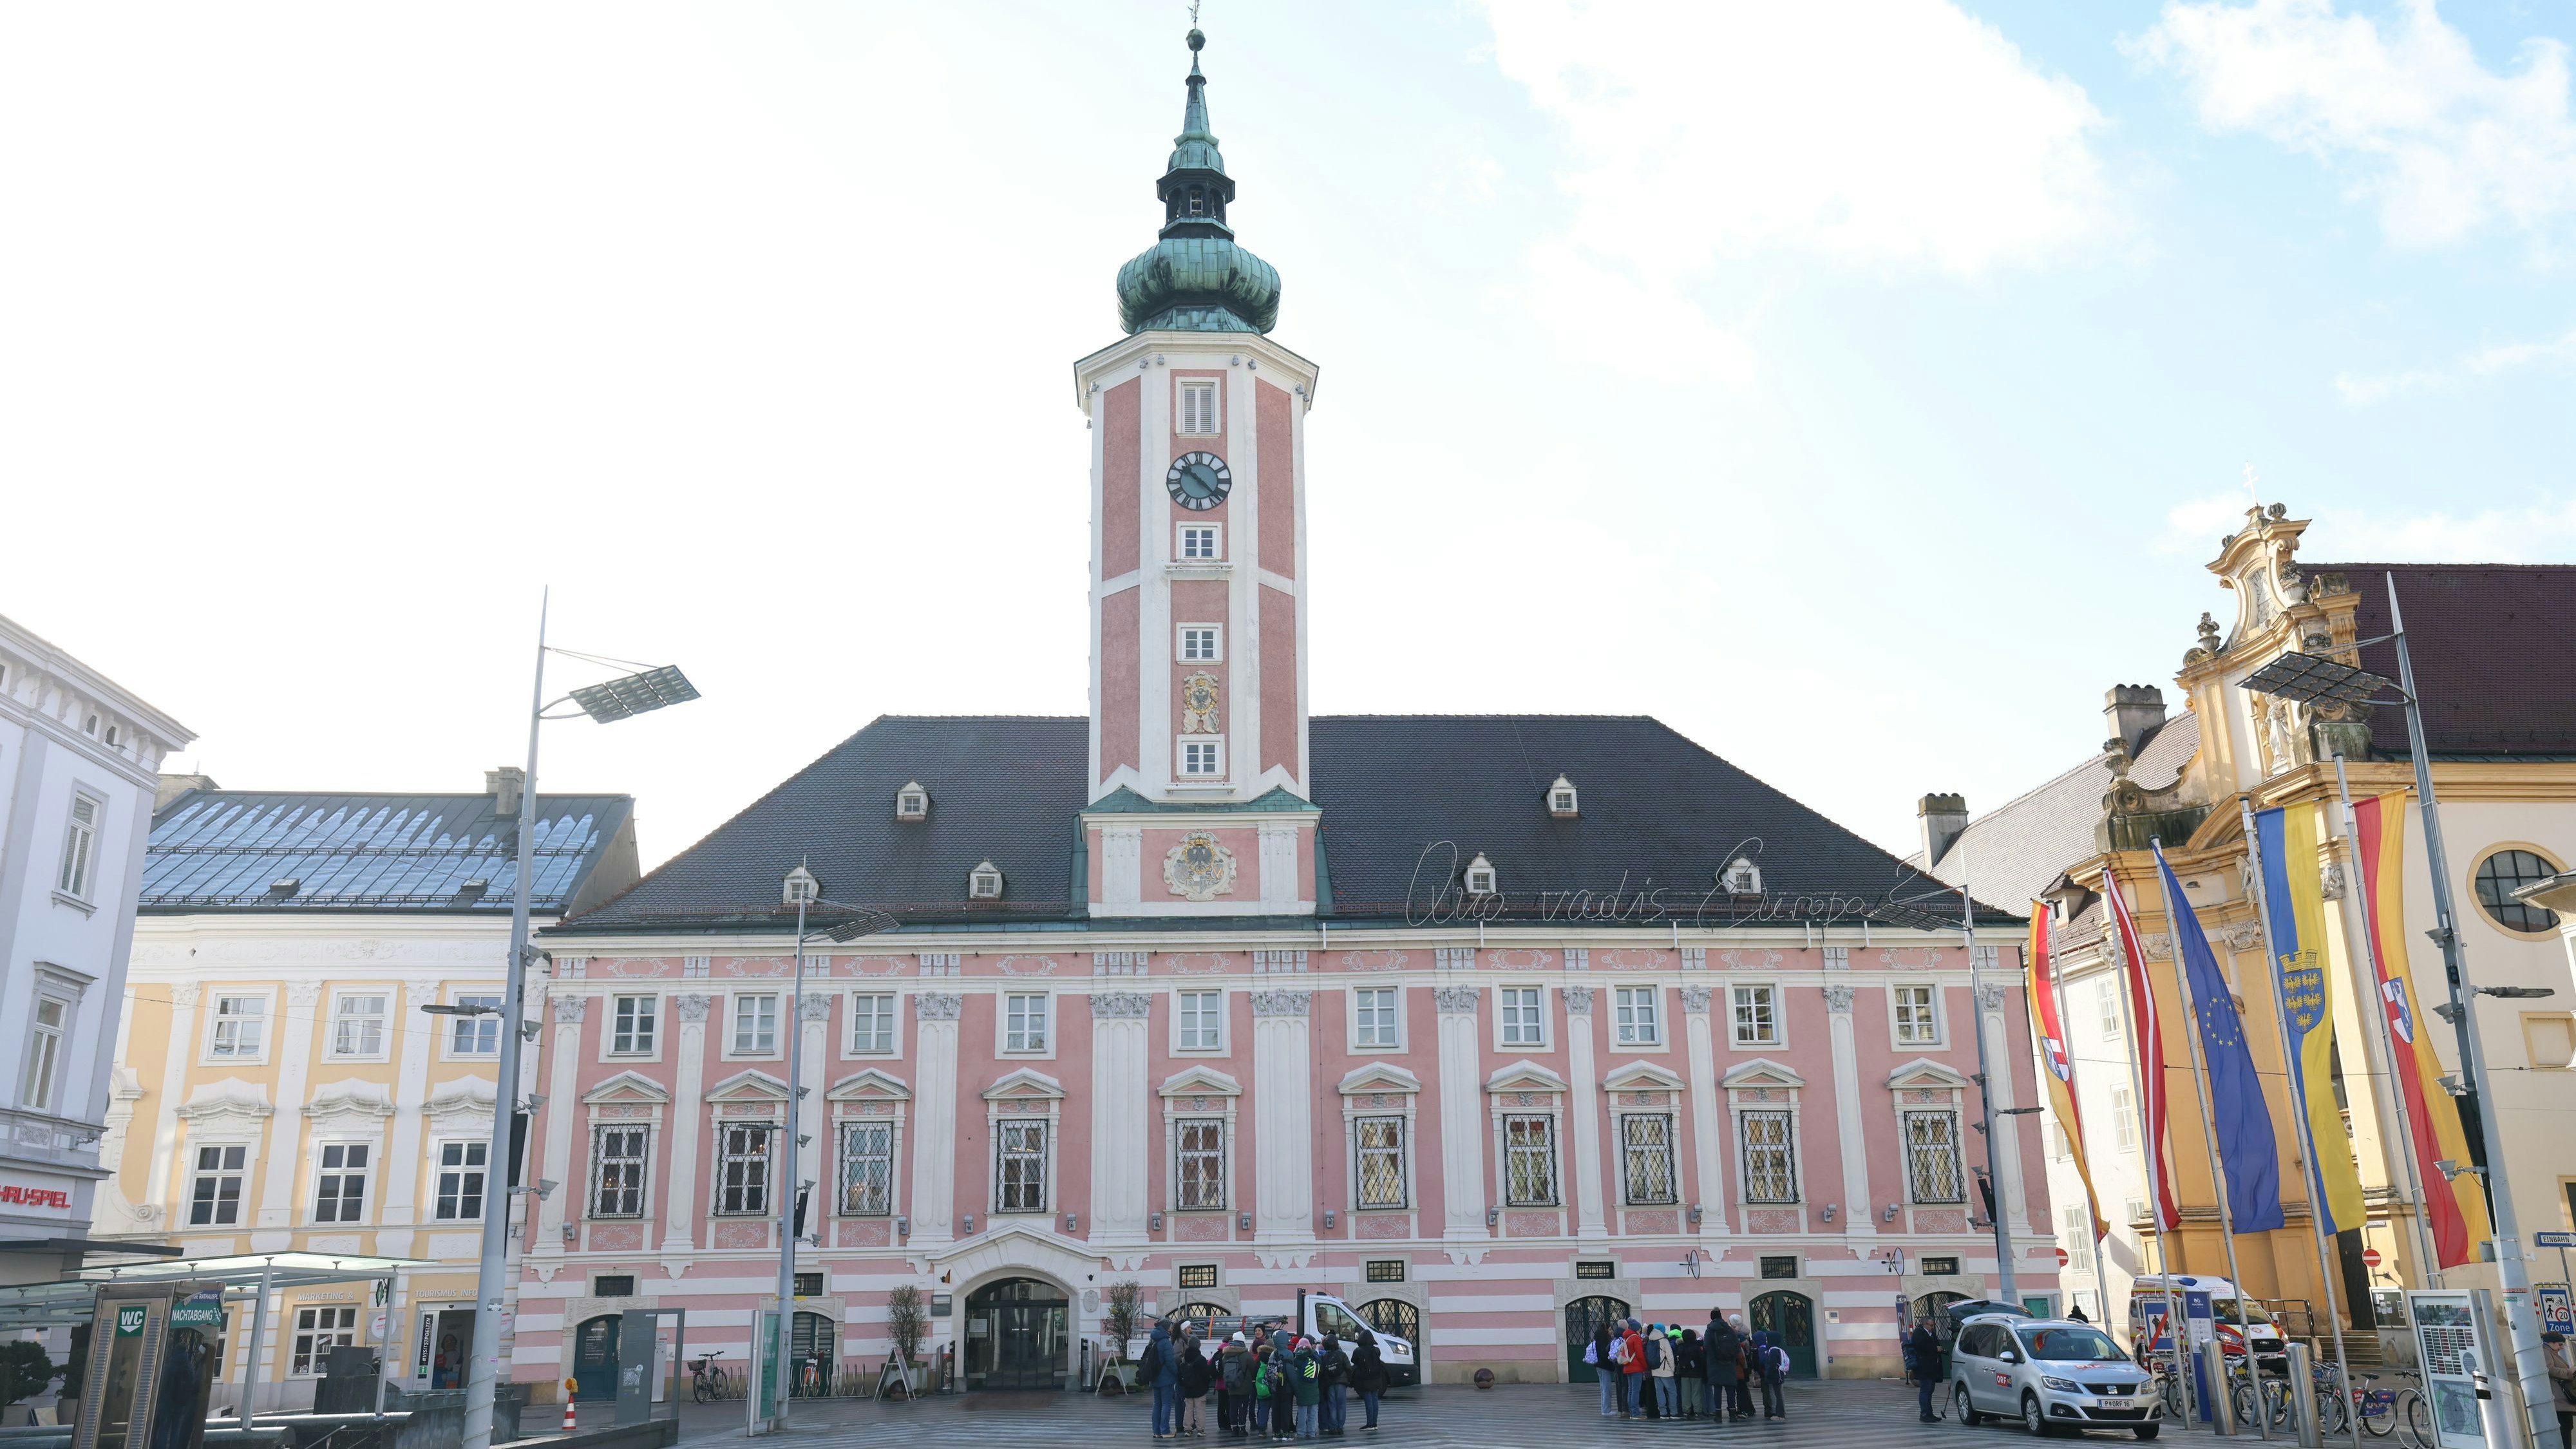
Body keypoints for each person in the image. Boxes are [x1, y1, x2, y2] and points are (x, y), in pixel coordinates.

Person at [1142, 1320, 1179, 1439]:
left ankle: (1156, 1431)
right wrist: (1177, 1373)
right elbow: (1170, 1362)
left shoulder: (1153, 1339)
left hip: (1154, 1377)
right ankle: (1165, 1430)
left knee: (1157, 1404)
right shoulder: (1166, 1343)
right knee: (1166, 1404)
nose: (1172, 1329)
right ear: (1166, 1328)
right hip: (1166, 1378)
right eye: (1170, 1327)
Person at [1705, 1311, 1742, 1421]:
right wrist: (1731, 1357)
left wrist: (1713, 1358)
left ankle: (1718, 1415)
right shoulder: (1729, 1329)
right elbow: (1737, 1345)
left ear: (1712, 1317)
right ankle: (1732, 1415)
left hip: (1715, 1364)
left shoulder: (1710, 1330)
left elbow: (1707, 1346)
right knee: (1731, 1390)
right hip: (1729, 1363)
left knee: (1717, 1390)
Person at [1350, 1329, 1388, 1434]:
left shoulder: (1358, 1351)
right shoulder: (1377, 1350)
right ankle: (1374, 1424)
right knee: (1374, 1401)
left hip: (1365, 1380)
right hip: (1376, 1379)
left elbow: (1353, 1361)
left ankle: (1370, 1424)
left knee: (1368, 1402)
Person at [1906, 1317, 1941, 1423]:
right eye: (1931, 1325)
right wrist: (1935, 1349)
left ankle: (1930, 1413)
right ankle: (1924, 1413)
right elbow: (1922, 1346)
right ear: (1925, 1324)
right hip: (1923, 1367)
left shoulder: (1931, 1333)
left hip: (1932, 1367)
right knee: (1925, 1390)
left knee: (1930, 1390)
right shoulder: (1919, 1333)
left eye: (1933, 1325)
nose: (1932, 1327)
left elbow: (1934, 1343)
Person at [1179, 1333, 1214, 1438]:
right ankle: (1200, 1429)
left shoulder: (1184, 1359)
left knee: (1188, 1409)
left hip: (1188, 1388)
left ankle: (1188, 1429)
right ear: (1198, 1346)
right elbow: (1207, 1375)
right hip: (1200, 1389)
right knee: (1200, 1409)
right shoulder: (1201, 1359)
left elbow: (1180, 1373)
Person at [2545, 1331, 2575, 1449]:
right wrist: (2570, 1372)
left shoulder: (2549, 1352)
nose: (2561, 1348)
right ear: (2551, 1343)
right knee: (2565, 1429)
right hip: (2558, 1401)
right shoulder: (2546, 1352)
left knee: (2567, 1427)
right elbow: (2549, 1370)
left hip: (2560, 1401)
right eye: (2559, 1345)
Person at [1220, 1333, 1251, 1437]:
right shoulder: (1246, 1354)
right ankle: (1242, 1429)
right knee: (1243, 1408)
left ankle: (1234, 1429)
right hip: (1244, 1387)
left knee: (1232, 1407)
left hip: (1231, 1386)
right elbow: (1253, 1368)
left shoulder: (1226, 1355)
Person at [1290, 1336, 1321, 1441]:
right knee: (1313, 1413)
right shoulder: (1315, 1357)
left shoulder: (1297, 1359)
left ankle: (1301, 1433)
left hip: (1302, 1390)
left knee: (1303, 1413)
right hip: (1314, 1390)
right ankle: (1312, 1432)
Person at [1318, 1334, 1349, 1437]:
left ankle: (1333, 1426)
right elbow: (1348, 1368)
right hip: (1341, 1382)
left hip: (1330, 1383)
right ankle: (1340, 1426)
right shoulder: (1342, 1354)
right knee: (1341, 1405)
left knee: (1332, 1405)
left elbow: (1322, 1371)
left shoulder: (1324, 1356)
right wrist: (1349, 1380)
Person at [1750, 1330, 1785, 1420]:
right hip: (1778, 1375)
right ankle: (1779, 1412)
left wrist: (1766, 1373)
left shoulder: (1769, 1350)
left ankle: (1777, 1413)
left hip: (1771, 1375)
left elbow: (1765, 1362)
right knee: (1778, 1393)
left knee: (1773, 1393)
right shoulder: (1777, 1349)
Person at [1618, 1317, 1647, 1420]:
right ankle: (1635, 1413)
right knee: (1636, 1390)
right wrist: (1645, 1366)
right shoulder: (1635, 1338)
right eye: (1639, 1329)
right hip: (1636, 1367)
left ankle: (1631, 1412)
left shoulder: (1627, 1337)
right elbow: (1639, 1354)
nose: (1640, 1330)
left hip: (1628, 1366)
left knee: (1631, 1390)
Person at [1726, 1316, 1755, 1419]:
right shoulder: (1745, 1333)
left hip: (1738, 1369)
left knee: (1739, 1391)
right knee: (1743, 1390)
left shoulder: (1737, 1337)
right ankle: (1748, 1408)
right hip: (1743, 1368)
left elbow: (1742, 1357)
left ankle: (1741, 1409)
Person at [1649, 1323, 1678, 1419]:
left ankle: (1663, 1412)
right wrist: (1673, 1369)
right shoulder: (1664, 1341)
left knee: (1659, 1391)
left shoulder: (1651, 1340)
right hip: (1666, 1370)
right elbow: (1670, 1356)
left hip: (1655, 1369)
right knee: (1672, 1391)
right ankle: (1674, 1412)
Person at [1674, 1329, 1705, 1419]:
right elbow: (1702, 1360)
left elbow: (1677, 1359)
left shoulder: (1681, 1347)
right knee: (1696, 1393)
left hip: (1684, 1374)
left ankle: (1686, 1411)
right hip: (1696, 1373)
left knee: (1685, 1393)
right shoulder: (1697, 1348)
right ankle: (1697, 1411)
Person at [1589, 1323, 1618, 1417]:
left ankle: (1604, 1409)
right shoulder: (1605, 1340)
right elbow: (1605, 1354)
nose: (1611, 1331)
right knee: (1607, 1388)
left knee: (1603, 1388)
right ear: (1605, 1331)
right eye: (1609, 1330)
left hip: (1599, 1366)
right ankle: (1606, 1410)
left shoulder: (1598, 1339)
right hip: (1604, 1367)